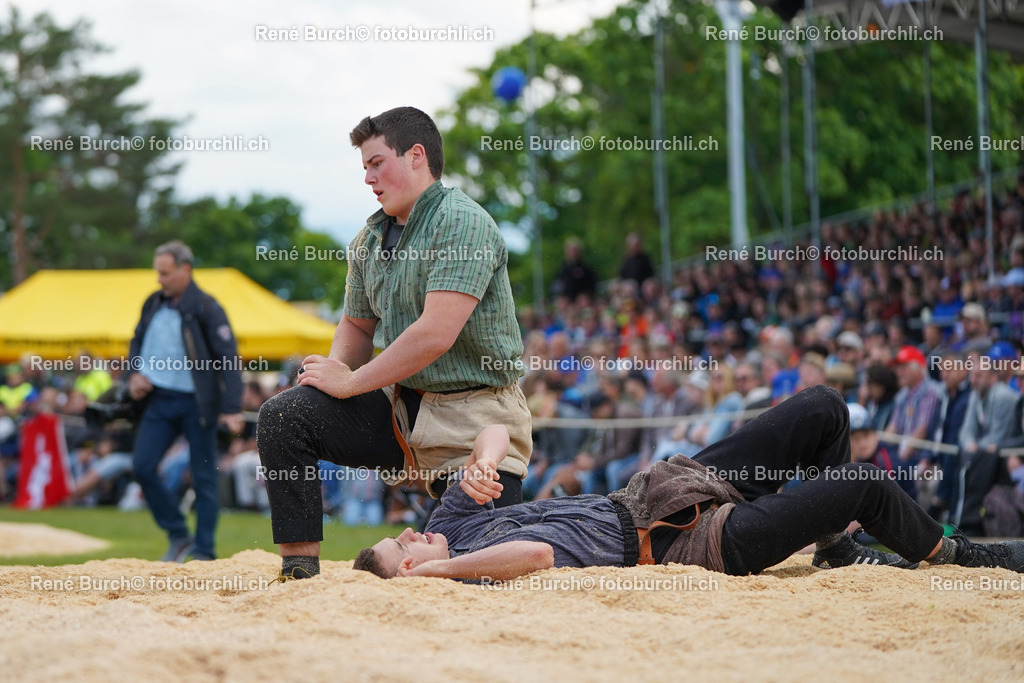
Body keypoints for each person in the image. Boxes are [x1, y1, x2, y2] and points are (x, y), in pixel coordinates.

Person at [256, 107, 532, 580]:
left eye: (376, 162)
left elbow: (434, 335)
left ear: (416, 156)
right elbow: (358, 328)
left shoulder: (463, 223)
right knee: (284, 415)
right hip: (401, 411)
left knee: (475, 564)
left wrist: (350, 382)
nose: (367, 177)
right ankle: (298, 573)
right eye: (364, 166)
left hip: (478, 424)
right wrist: (329, 379)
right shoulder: (367, 239)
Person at [354, 386, 1024, 581]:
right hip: (686, 543)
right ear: (411, 571)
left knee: (824, 408)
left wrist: (483, 456)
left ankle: (835, 547)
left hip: (660, 486)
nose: (409, 532)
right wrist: (435, 576)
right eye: (401, 547)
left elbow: (495, 434)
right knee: (860, 485)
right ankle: (956, 551)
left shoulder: (449, 523)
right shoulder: (464, 573)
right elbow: (536, 555)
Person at [127, 240, 244, 562]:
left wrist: (232, 407)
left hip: (197, 404)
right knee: (142, 467)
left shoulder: (207, 307)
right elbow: (136, 342)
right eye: (158, 272)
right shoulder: (152, 302)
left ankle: (204, 551)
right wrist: (133, 374)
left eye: (165, 273)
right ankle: (178, 534)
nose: (159, 279)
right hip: (158, 400)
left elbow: (228, 358)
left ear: (185, 269)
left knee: (204, 476)